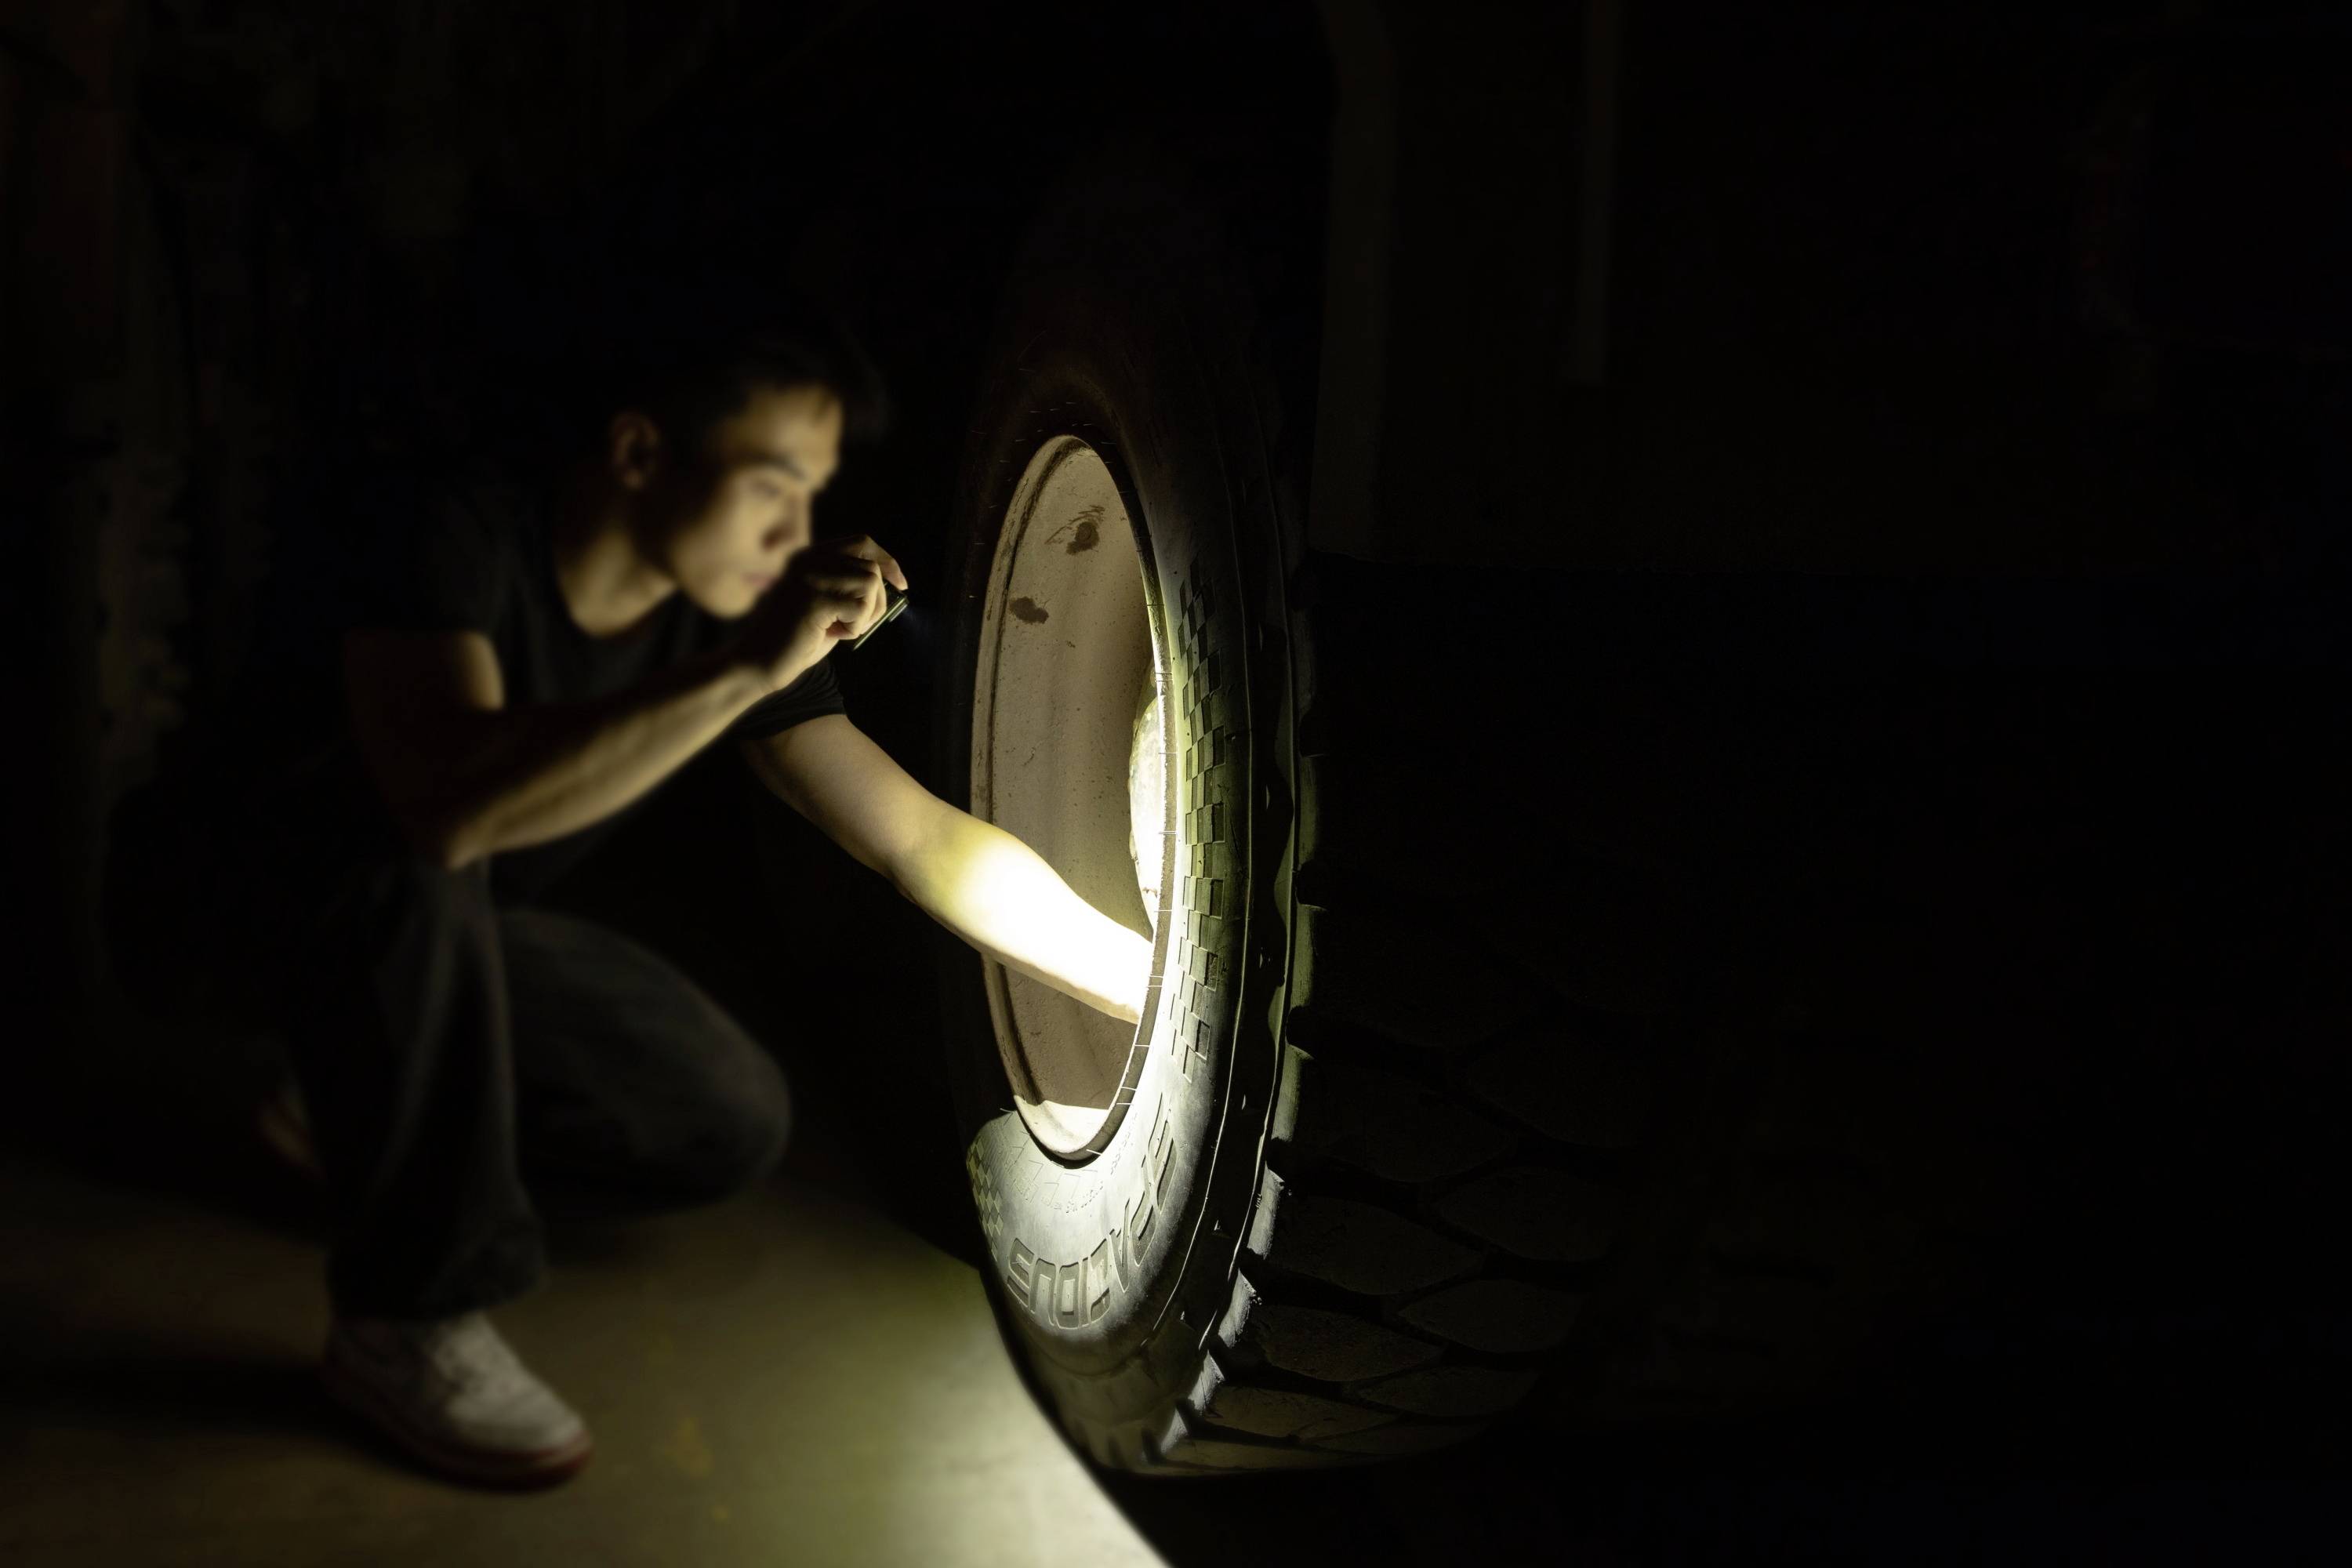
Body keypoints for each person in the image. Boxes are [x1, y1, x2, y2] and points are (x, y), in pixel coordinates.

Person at [98, 300, 1152, 1490]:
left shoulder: (713, 620)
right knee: (416, 861)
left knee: (715, 1114)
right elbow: (445, 804)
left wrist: (1144, 985)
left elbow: (914, 841)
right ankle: (408, 1320)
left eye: (812, 495)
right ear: (642, 455)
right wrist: (749, 663)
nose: (797, 532)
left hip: (435, 937)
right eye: (770, 487)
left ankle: (336, 1091)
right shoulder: (448, 529)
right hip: (230, 907)